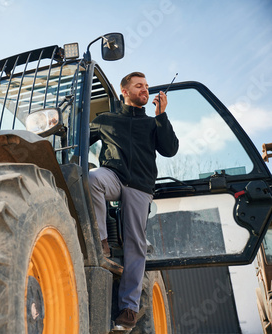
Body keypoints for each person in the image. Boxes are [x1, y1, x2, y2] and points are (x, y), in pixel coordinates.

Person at [89, 72, 179, 329]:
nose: (145, 90)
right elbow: (81, 140)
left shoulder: (152, 124)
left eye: (147, 87)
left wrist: (161, 115)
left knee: (135, 244)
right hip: (114, 178)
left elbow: (170, 149)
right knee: (92, 179)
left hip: (140, 186)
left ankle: (128, 309)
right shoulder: (105, 120)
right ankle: (102, 241)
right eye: (139, 86)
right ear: (125, 91)